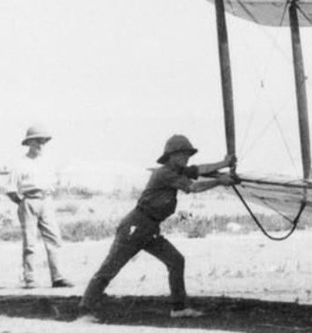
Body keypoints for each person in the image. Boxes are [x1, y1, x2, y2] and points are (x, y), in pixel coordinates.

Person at [78, 135, 235, 321]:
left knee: (176, 260)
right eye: (184, 155)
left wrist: (223, 163)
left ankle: (179, 308)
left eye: (188, 155)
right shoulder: (165, 174)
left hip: (149, 228)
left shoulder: (176, 171)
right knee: (110, 268)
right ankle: (85, 310)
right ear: (172, 156)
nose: (187, 159)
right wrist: (220, 181)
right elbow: (194, 187)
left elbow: (200, 169)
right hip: (136, 227)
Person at [9, 125, 72, 289]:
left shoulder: (47, 163)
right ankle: (29, 279)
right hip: (29, 201)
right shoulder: (20, 164)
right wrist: (23, 202)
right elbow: (10, 189)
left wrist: (46, 197)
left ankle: (57, 277)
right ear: (29, 142)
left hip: (46, 202)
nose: (41, 145)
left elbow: (53, 182)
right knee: (30, 242)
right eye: (37, 141)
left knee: (54, 239)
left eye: (44, 142)